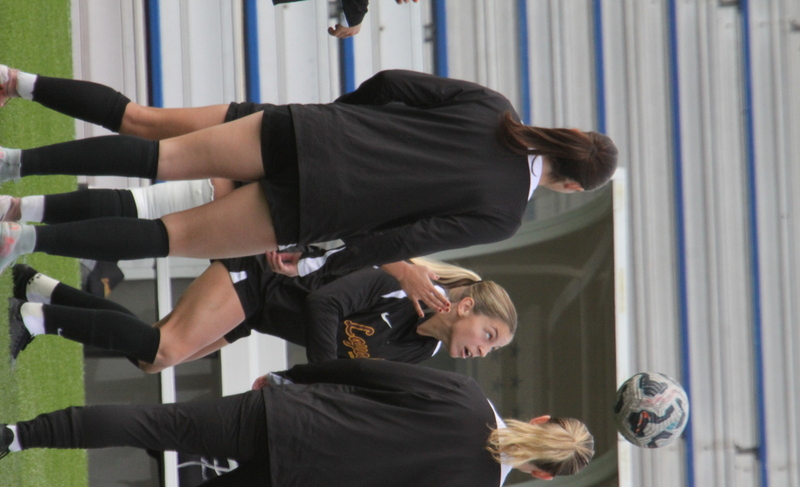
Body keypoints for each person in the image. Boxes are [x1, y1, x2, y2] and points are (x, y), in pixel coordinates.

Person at [0, 68, 618, 291]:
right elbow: (405, 239)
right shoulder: (507, 213)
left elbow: (394, 82)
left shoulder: (494, 107)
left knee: (153, 144)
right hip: (320, 206)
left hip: (311, 135)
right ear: (567, 187)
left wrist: (340, 118)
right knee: (168, 237)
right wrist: (325, 264)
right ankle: (20, 240)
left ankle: (14, 130)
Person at [1, 359, 595, 487]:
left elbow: (365, 374)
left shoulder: (462, 394)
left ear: (540, 417)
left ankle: (17, 436)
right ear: (541, 475)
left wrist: (294, 379)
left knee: (156, 424)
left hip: (290, 419)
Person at [8, 256, 515, 373]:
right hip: (260, 279)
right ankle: (34, 317)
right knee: (161, 347)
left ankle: (39, 287)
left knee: (151, 358)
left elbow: (360, 378)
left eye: (492, 349)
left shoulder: (419, 351)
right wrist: (322, 376)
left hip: (258, 316)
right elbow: (324, 303)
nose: (483, 350)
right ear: (465, 306)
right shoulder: (405, 285)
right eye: (489, 334)